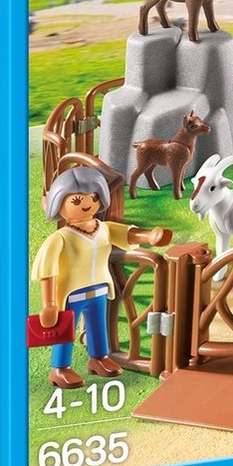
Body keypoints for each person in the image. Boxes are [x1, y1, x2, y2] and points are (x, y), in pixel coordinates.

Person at [32, 167, 170, 389]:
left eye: (93, 197)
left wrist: (149, 236)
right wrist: (49, 304)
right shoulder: (61, 238)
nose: (87, 204)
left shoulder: (103, 229)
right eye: (77, 200)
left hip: (99, 289)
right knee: (65, 330)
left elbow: (127, 234)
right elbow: (47, 269)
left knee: (98, 326)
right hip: (71, 294)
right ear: (59, 203)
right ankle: (60, 368)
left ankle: (98, 358)